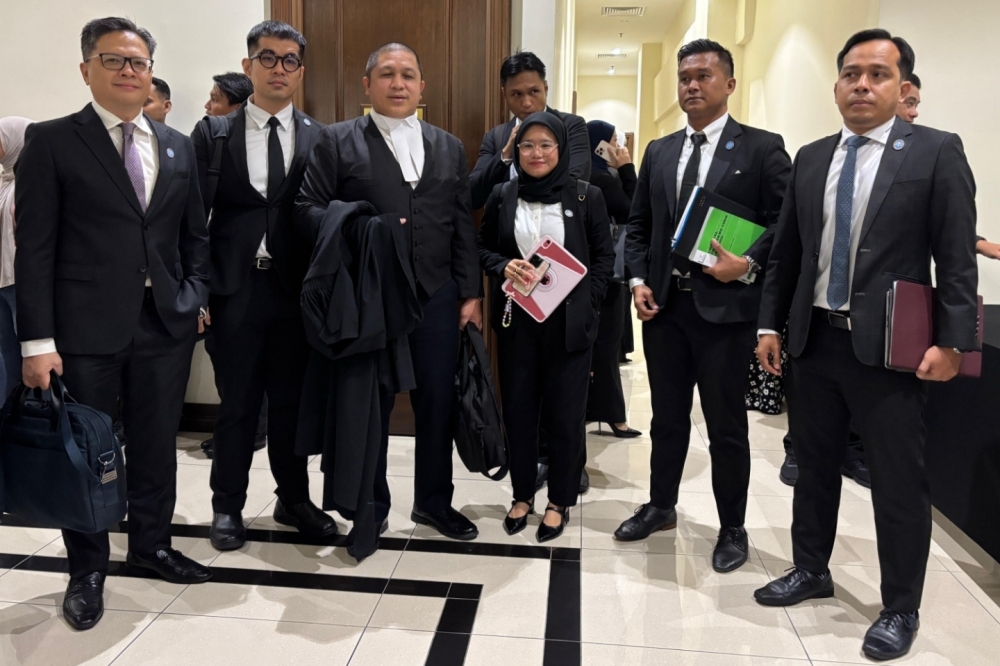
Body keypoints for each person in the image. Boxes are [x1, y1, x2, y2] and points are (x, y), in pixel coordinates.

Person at [753, 29, 979, 661]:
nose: (862, 84)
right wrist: (771, 326)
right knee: (814, 468)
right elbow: (787, 257)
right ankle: (810, 568)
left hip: (891, 351)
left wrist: (955, 342)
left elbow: (956, 259)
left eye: (878, 74)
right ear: (836, 86)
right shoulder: (813, 156)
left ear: (903, 87)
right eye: (852, 73)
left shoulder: (934, 152)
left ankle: (900, 605)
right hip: (814, 343)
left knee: (898, 483)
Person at [15, 17, 212, 631]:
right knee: (88, 453)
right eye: (114, 60)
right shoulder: (51, 141)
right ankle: (88, 569)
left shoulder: (177, 144)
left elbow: (193, 236)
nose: (129, 70)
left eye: (138, 62)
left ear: (151, 71)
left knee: (157, 444)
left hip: (164, 325)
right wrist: (37, 341)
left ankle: (151, 544)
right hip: (82, 331)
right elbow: (35, 250)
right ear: (86, 69)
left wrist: (194, 292)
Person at [296, 43, 482, 541]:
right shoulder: (335, 142)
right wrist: (356, 223)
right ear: (367, 85)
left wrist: (470, 293)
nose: (397, 84)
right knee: (370, 404)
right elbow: (307, 208)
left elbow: (461, 223)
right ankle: (369, 505)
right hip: (370, 298)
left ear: (423, 86)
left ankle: (434, 503)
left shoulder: (448, 145)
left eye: (407, 75)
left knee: (437, 403)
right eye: (386, 74)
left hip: (439, 295)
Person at [619, 39, 792, 575]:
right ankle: (661, 506)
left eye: (704, 76)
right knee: (666, 420)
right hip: (666, 311)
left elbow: (785, 226)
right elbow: (639, 223)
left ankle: (733, 528)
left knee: (725, 427)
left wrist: (748, 264)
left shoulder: (762, 148)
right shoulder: (660, 150)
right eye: (684, 77)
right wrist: (638, 279)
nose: (691, 85)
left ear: (729, 85)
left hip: (726, 314)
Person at [191, 20, 334, 552]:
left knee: (293, 405)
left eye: (290, 59)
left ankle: (293, 499)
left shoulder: (320, 136)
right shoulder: (214, 133)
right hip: (234, 292)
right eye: (268, 57)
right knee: (238, 406)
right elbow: (192, 218)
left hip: (296, 295)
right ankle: (227, 506)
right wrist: (197, 290)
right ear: (249, 65)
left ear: (300, 70)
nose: (279, 68)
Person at [478, 112, 614, 542]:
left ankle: (559, 500)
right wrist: (503, 265)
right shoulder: (503, 195)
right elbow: (482, 247)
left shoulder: (585, 196)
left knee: (565, 416)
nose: (536, 154)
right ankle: (521, 495)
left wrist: (588, 303)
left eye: (545, 145)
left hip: (570, 329)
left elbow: (604, 258)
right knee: (518, 411)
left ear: (560, 149)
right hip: (518, 323)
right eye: (527, 146)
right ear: (516, 152)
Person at [470, 51, 590, 210]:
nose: (526, 103)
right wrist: (506, 156)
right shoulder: (496, 137)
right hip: (507, 232)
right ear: (504, 94)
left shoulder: (571, 126)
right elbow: (473, 195)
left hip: (560, 229)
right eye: (516, 94)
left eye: (534, 91)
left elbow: (576, 181)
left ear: (545, 89)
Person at [584, 119, 640, 438]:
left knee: (597, 344)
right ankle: (615, 418)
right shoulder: (602, 180)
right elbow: (634, 212)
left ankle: (601, 411)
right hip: (608, 274)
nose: (618, 148)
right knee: (607, 343)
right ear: (599, 145)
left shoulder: (585, 175)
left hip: (590, 273)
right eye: (614, 141)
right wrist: (628, 167)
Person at [0, 117, 32, 401]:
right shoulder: (5, 181)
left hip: (22, 284)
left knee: (29, 361)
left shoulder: (29, 185)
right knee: (6, 360)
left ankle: (32, 431)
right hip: (3, 282)